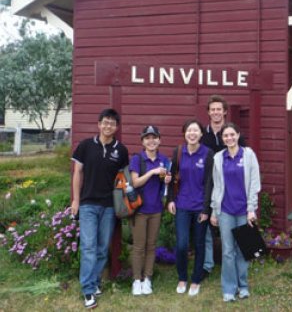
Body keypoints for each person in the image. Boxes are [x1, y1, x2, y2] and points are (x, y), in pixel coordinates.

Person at [71, 108, 129, 309]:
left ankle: (94, 282)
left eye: (112, 123)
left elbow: (123, 180)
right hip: (88, 204)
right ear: (99, 124)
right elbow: (77, 173)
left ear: (116, 127)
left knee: (103, 248)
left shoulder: (121, 150)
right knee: (88, 247)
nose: (108, 126)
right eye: (105, 122)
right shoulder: (86, 146)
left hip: (109, 207)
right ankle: (88, 290)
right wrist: (76, 200)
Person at [210, 122, 260, 302]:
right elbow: (216, 186)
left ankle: (243, 286)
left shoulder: (248, 155)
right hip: (225, 211)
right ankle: (229, 289)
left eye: (232, 134)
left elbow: (254, 184)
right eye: (225, 136)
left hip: (244, 211)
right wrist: (214, 211)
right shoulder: (218, 158)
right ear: (222, 139)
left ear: (238, 135)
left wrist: (251, 209)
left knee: (243, 249)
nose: (229, 138)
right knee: (228, 251)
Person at [167, 119, 214, 297]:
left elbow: (210, 182)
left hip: (200, 206)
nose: (192, 134)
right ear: (185, 133)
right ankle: (182, 277)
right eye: (189, 130)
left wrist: (206, 209)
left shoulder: (207, 154)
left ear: (201, 134)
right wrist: (170, 199)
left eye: (195, 131)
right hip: (182, 205)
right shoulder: (178, 152)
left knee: (200, 243)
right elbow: (172, 178)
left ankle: (195, 280)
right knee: (181, 244)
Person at [201, 95, 246, 278]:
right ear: (208, 112)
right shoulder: (203, 136)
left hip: (231, 186)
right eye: (213, 109)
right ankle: (208, 264)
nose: (216, 112)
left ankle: (238, 262)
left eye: (219, 109)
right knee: (208, 227)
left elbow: (245, 160)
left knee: (237, 226)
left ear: (225, 111)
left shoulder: (232, 133)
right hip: (209, 184)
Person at [129, 125, 171, 296]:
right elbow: (135, 182)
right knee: (139, 246)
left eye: (154, 137)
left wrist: (166, 179)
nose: (151, 141)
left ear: (159, 140)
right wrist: (152, 171)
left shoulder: (164, 159)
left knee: (151, 246)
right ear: (143, 141)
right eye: (147, 138)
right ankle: (136, 280)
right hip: (139, 209)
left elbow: (164, 183)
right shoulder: (137, 159)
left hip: (156, 209)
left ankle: (147, 279)